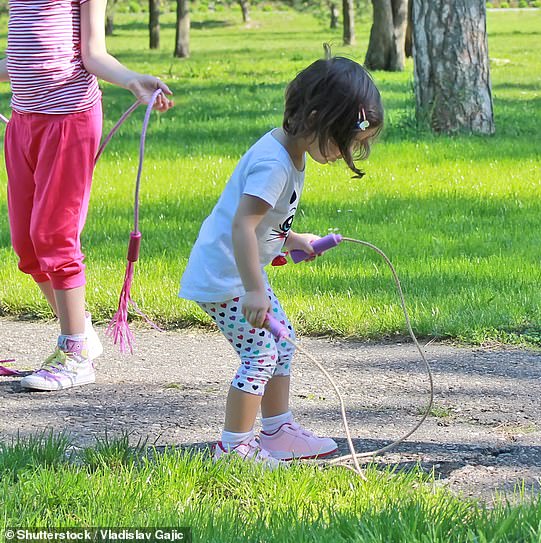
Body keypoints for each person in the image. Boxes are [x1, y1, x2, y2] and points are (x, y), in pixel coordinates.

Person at [179, 50, 383, 467]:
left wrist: (293, 240)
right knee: (261, 354)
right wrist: (255, 289)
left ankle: (276, 431)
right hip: (226, 278)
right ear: (316, 119)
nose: (349, 153)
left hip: (241, 273)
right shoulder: (274, 165)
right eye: (349, 141)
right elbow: (241, 226)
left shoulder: (292, 153)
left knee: (282, 342)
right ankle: (233, 447)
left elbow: (263, 223)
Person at [0, 0, 174, 391]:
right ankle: (80, 332)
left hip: (68, 122)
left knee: (53, 237)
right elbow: (21, 59)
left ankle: (76, 355)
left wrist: (131, 79)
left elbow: (93, 54)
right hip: (24, 123)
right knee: (27, 248)